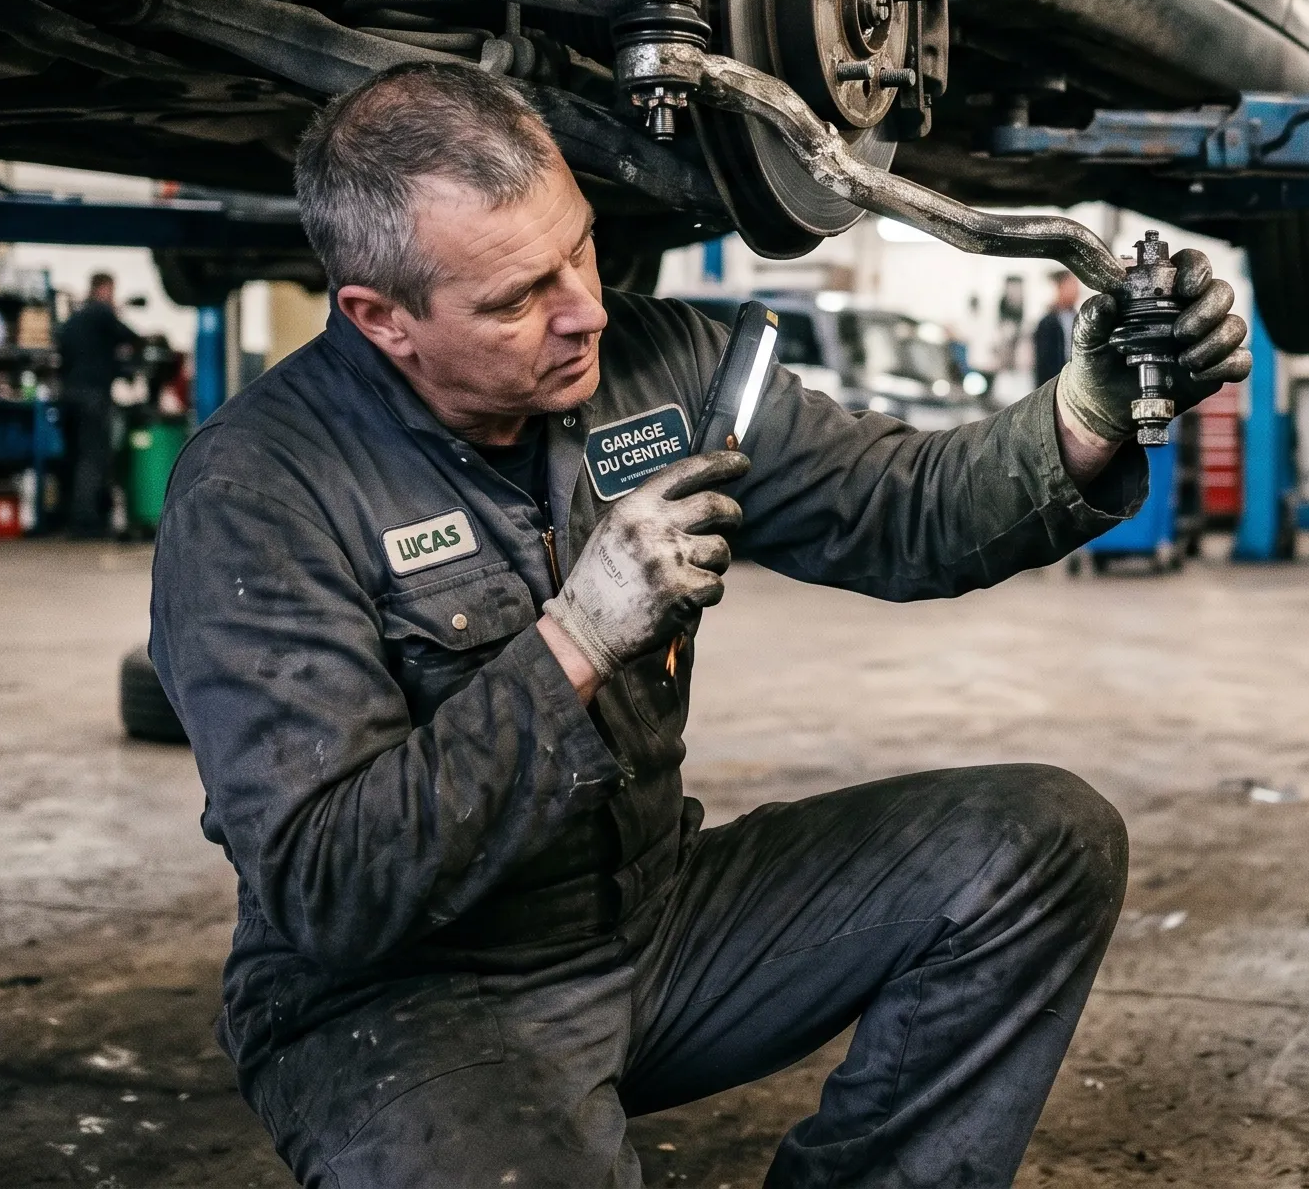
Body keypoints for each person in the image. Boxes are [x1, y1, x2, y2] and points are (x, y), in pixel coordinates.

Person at [147, 62, 1250, 1187]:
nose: (583, 308)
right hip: (401, 995)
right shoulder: (258, 492)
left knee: (1040, 839)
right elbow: (329, 887)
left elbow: (902, 508)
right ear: (382, 319)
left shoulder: (658, 367)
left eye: (579, 247)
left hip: (653, 920)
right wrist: (575, 642)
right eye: (516, 299)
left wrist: (1086, 415)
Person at [56, 272, 143, 538]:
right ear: (104, 289)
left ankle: (70, 517)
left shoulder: (74, 318)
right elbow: (130, 337)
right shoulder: (101, 313)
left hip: (68, 395)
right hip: (93, 396)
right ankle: (87, 523)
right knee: (93, 458)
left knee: (74, 458)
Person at [1029, 268, 1083, 385]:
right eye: (1072, 285)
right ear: (1060, 287)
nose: (1076, 291)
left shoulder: (1080, 318)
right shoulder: (1047, 322)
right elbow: (1043, 361)